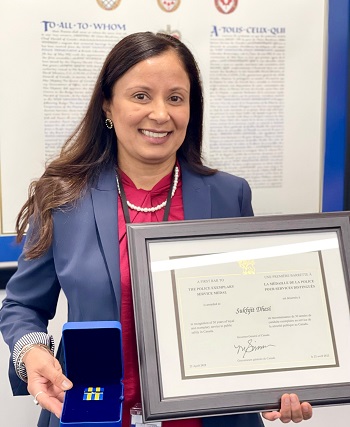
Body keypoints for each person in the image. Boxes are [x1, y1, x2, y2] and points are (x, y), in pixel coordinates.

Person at [0, 32, 312, 427]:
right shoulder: (62, 196)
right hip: (93, 412)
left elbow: (255, 308)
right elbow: (22, 306)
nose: (161, 114)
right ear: (108, 106)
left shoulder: (229, 194)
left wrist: (286, 376)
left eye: (176, 98)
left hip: (210, 418)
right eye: (141, 96)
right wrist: (31, 352)